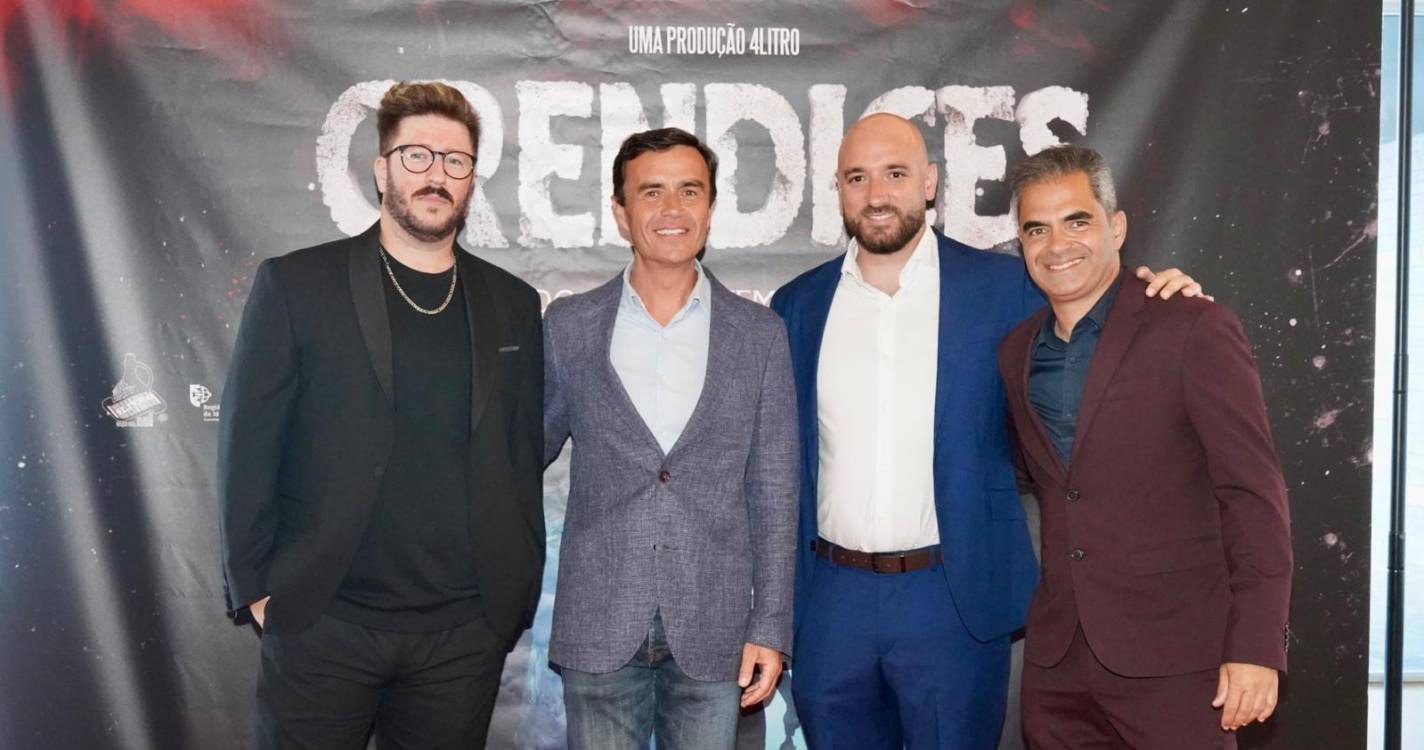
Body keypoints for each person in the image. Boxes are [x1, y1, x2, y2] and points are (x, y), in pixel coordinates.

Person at [770, 113, 1203, 749]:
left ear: (929, 183)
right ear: (838, 189)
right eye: (857, 177)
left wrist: (1160, 292)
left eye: (895, 174)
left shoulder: (1008, 288)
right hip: (831, 600)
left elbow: (1096, 309)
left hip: (954, 597)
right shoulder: (797, 305)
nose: (877, 193)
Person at [218, 81, 544, 748]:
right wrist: (257, 588)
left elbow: (521, 455)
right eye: (416, 155)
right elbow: (248, 446)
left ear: (471, 180)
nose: (436, 174)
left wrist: (513, 595)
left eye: (455, 160)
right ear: (381, 168)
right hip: (324, 620)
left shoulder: (513, 304)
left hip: (463, 634)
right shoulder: (297, 286)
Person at [998, 144, 1292, 749]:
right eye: (1037, 229)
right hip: (1058, 669)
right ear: (1021, 243)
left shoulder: (1192, 326)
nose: (1057, 245)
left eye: (1077, 221)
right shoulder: (1016, 351)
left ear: (1117, 227)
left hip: (1180, 663)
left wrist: (1257, 645)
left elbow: (1252, 495)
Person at [542, 127, 799, 750]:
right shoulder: (569, 326)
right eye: (651, 192)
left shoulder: (759, 335)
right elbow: (516, 457)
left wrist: (770, 625)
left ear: (710, 208)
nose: (672, 209)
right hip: (598, 623)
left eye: (690, 190)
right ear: (621, 212)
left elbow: (775, 490)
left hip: (716, 629)